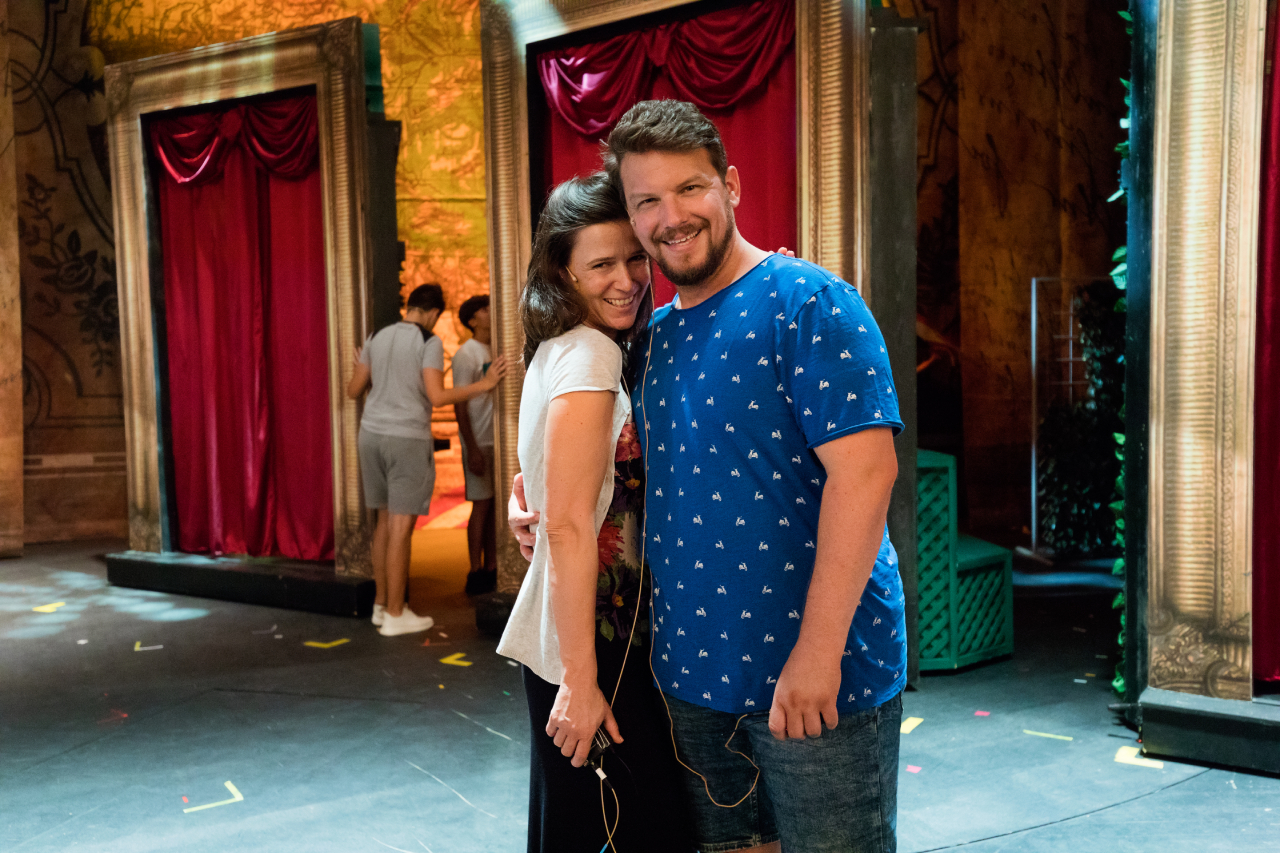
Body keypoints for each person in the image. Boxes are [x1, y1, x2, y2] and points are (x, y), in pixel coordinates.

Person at [612, 99, 906, 853]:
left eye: (690, 188)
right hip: (691, 676)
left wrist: (818, 653)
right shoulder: (652, 341)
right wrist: (534, 506)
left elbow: (867, 476)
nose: (671, 217)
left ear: (732, 186)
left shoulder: (810, 304)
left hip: (818, 673)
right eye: (647, 200)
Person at [495, 173, 695, 853]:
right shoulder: (590, 353)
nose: (626, 279)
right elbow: (568, 524)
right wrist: (581, 682)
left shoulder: (567, 346)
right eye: (601, 264)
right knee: (640, 830)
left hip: (588, 632)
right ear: (563, 272)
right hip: (594, 643)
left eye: (634, 258)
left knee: (578, 827)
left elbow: (551, 490)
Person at [347, 283, 506, 637]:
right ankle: (395, 613)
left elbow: (353, 390)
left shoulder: (376, 337)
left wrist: (363, 366)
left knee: (384, 522)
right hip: (405, 439)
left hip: (370, 437)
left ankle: (380, 606)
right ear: (434, 313)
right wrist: (484, 384)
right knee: (401, 527)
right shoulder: (428, 340)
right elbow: (436, 396)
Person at [452, 294, 498, 596]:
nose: (490, 311)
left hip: (498, 439)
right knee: (481, 505)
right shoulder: (466, 354)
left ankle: (493, 565)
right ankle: (474, 568)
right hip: (479, 440)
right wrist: (471, 447)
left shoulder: (497, 347)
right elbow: (460, 404)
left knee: (496, 507)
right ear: (472, 320)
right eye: (484, 309)